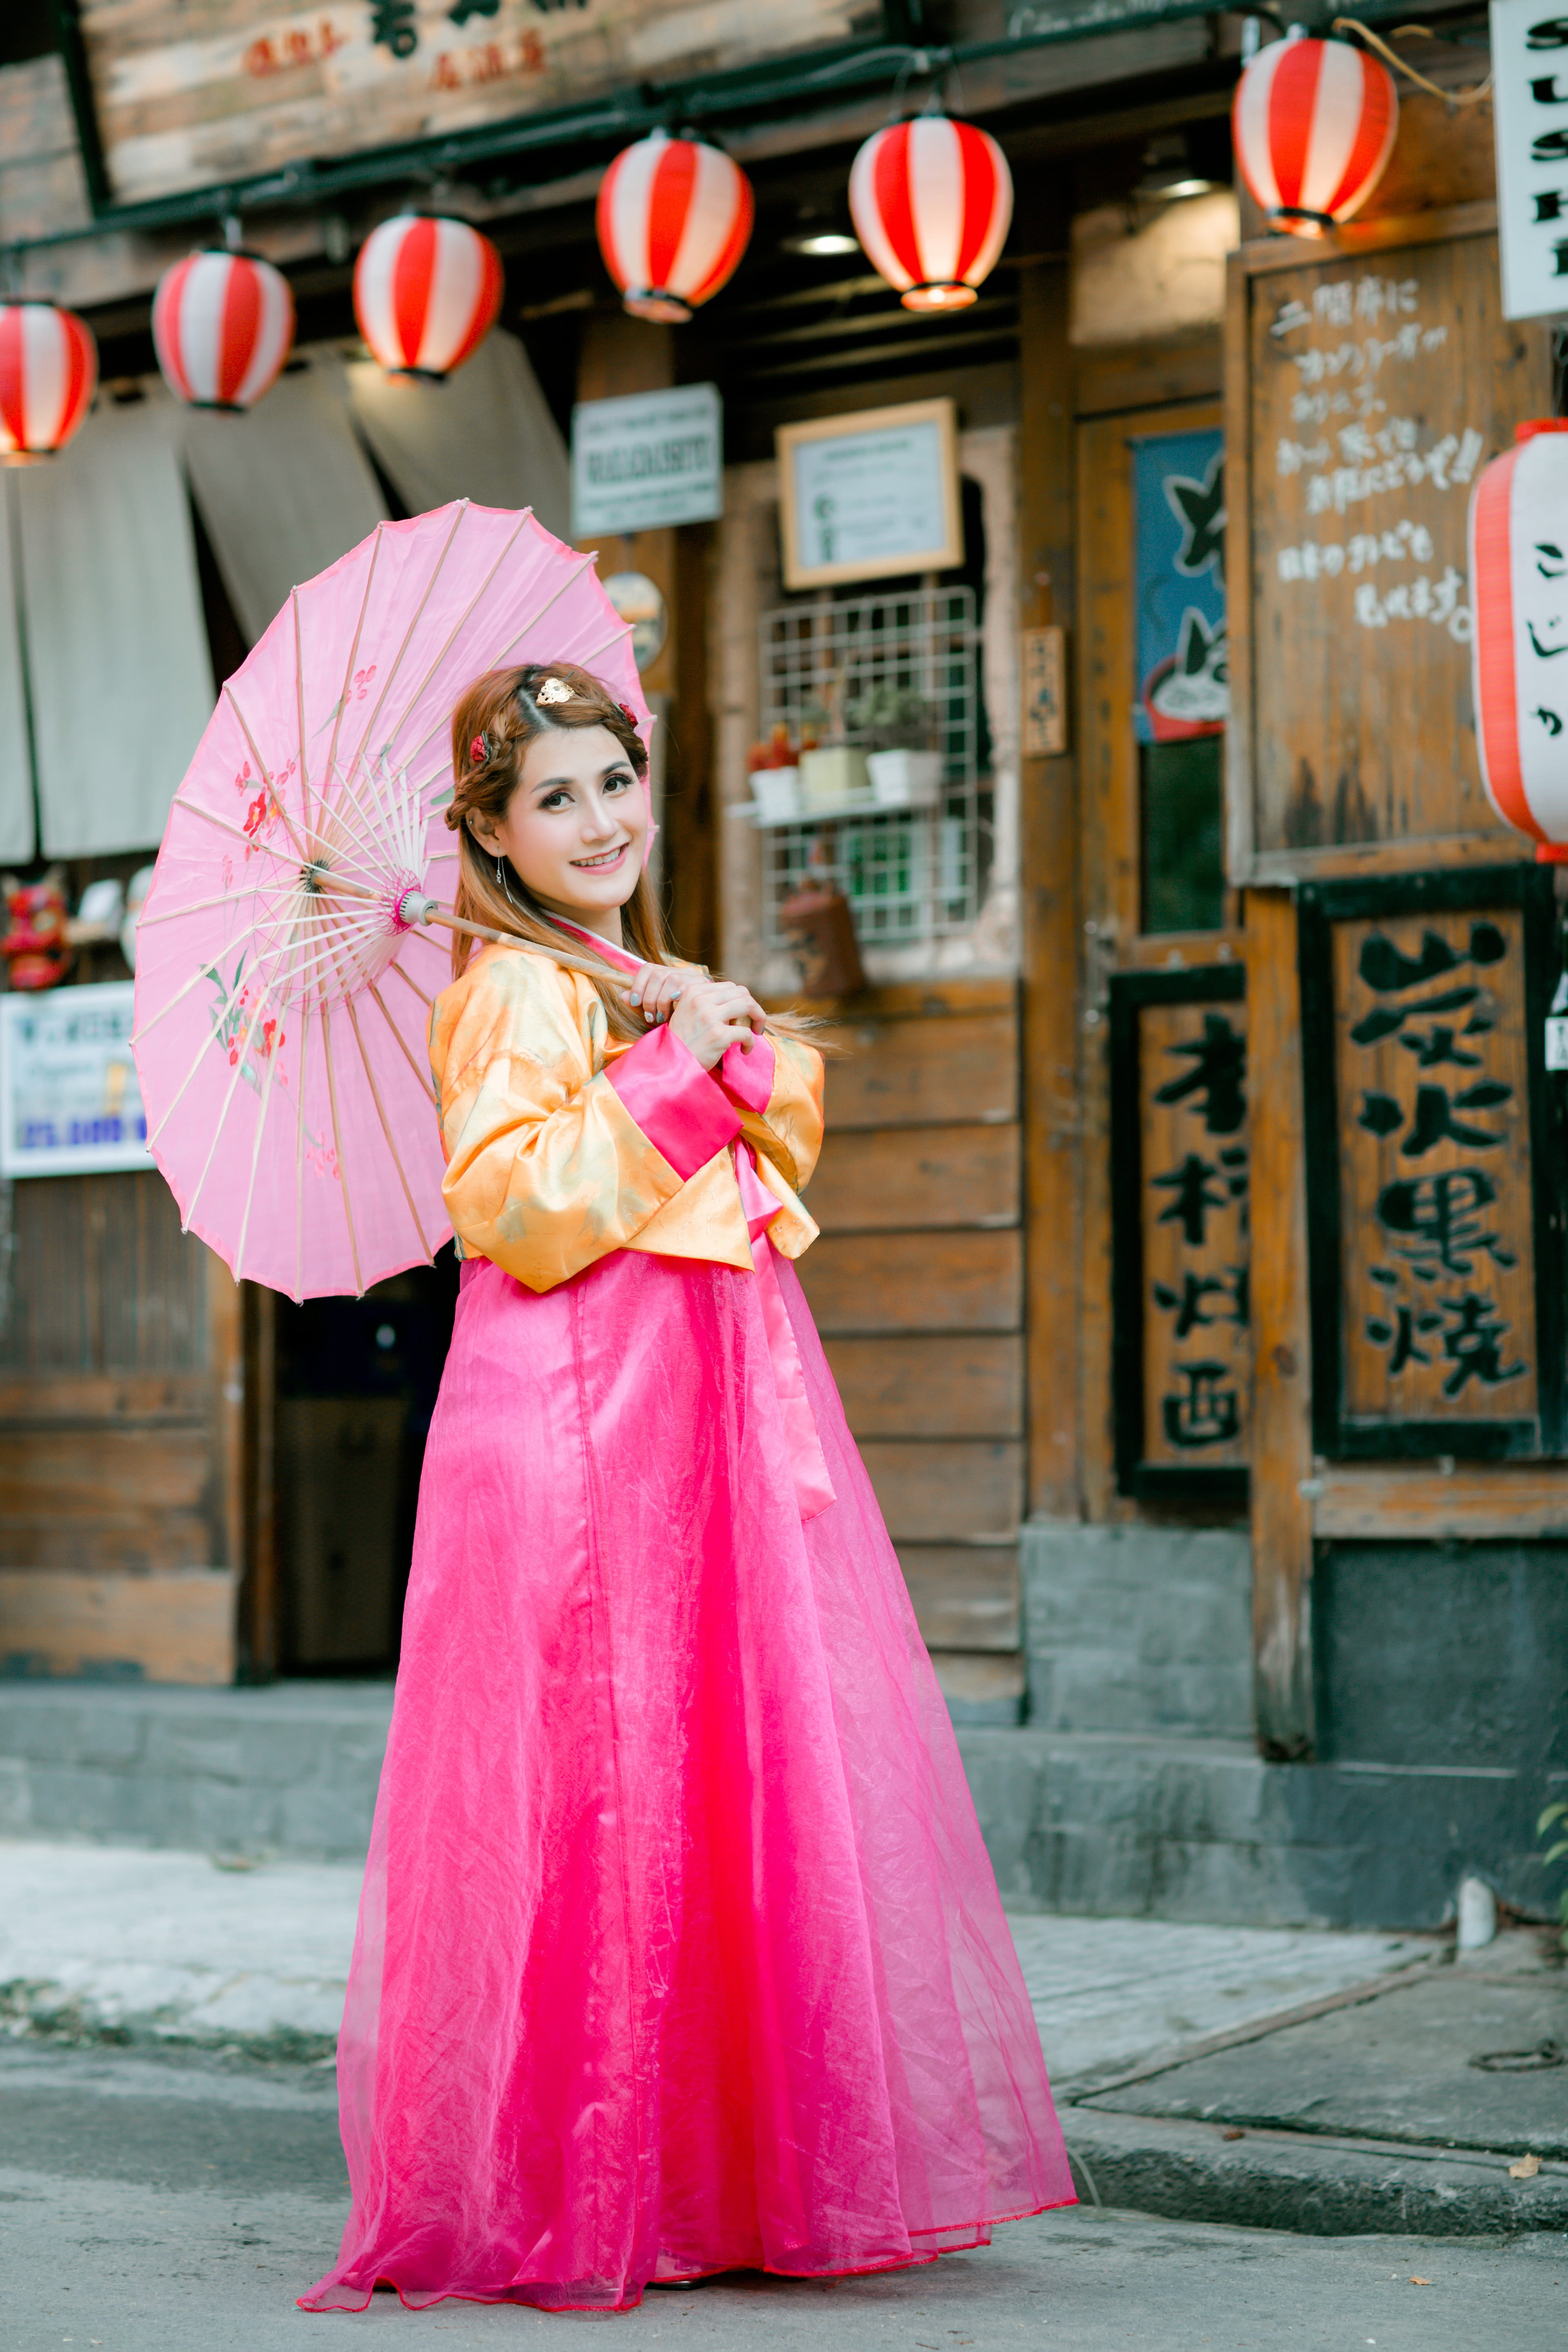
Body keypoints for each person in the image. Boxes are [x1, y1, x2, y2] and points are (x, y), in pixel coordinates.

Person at [300, 662, 1074, 2317]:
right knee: (607, 1786)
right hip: (581, 1427)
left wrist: (699, 1020)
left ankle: (696, 2171)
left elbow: (778, 1132)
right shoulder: (513, 993)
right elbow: (515, 1207)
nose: (599, 821)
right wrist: (673, 1061)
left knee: (708, 1770)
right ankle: (597, 2180)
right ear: (492, 836)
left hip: (675, 1417)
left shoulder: (617, 970)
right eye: (555, 799)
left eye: (613, 783)